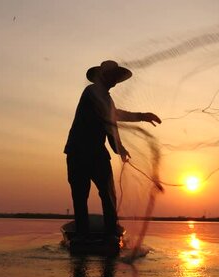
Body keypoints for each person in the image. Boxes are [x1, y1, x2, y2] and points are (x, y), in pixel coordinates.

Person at [64, 60, 161, 243]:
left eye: (117, 77)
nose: (115, 81)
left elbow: (113, 119)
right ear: (103, 76)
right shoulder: (91, 92)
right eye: (113, 76)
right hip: (79, 152)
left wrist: (141, 118)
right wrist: (120, 148)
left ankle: (109, 235)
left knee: (108, 195)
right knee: (80, 195)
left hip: (95, 153)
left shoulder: (106, 98)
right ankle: (83, 235)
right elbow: (110, 122)